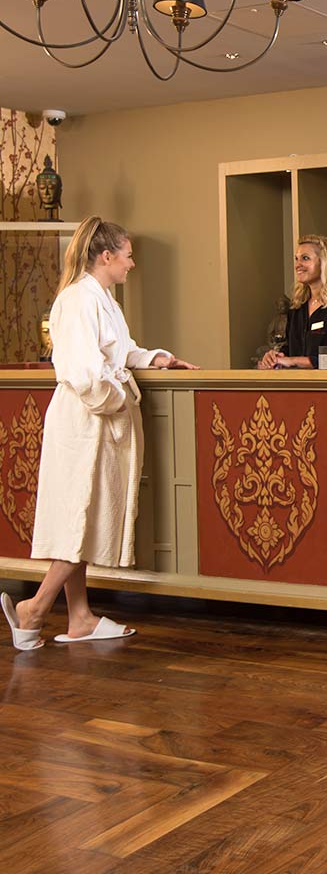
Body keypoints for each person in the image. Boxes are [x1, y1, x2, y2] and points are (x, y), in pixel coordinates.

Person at [1, 217, 198, 650]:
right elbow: (83, 372)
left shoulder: (103, 298)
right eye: (128, 255)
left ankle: (80, 618)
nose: (132, 263)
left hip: (97, 421)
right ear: (106, 256)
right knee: (80, 517)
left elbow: (119, 350)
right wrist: (118, 399)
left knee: (84, 518)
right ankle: (33, 609)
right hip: (84, 420)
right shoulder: (77, 300)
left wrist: (158, 359)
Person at [257, 236, 327, 369]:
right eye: (296, 259)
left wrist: (293, 361)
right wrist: (276, 357)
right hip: (299, 382)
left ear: (325, 263)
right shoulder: (297, 308)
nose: (297, 265)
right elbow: (290, 349)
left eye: (305, 258)